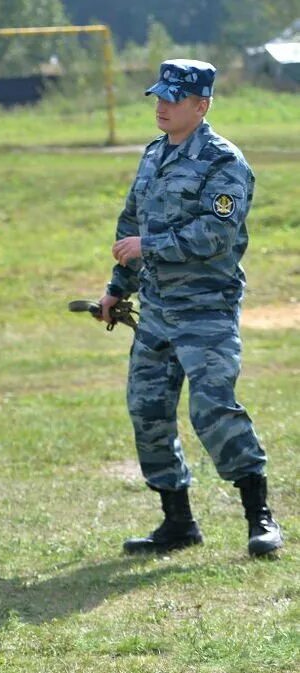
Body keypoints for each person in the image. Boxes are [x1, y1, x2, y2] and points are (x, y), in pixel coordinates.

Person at [100, 59, 283, 557]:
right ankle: (177, 522)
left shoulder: (225, 162)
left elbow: (217, 234)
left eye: (173, 99)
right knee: (148, 412)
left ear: (200, 106)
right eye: (158, 96)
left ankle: (259, 516)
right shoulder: (153, 155)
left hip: (206, 311)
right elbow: (130, 226)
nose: (161, 105)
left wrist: (148, 245)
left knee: (213, 410)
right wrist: (118, 289)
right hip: (156, 313)